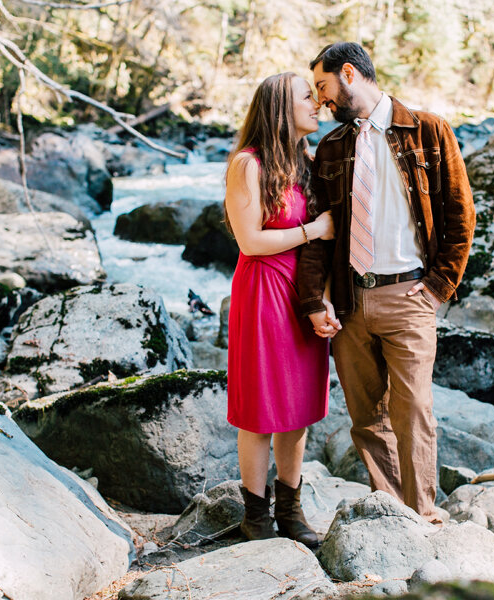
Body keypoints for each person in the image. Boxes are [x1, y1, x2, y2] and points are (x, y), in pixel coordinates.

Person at [297, 42, 475, 523]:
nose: (321, 100)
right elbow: (318, 235)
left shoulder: (428, 131)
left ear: (349, 74)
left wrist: (440, 286)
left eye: (323, 86)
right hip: (350, 302)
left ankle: (425, 514)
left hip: (410, 295)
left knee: (414, 408)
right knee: (366, 418)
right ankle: (394, 517)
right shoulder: (331, 148)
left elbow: (461, 216)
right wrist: (315, 299)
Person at [224, 72, 334, 548]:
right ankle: (256, 516)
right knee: (261, 408)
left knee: (299, 408)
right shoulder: (247, 164)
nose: (318, 102)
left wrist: (321, 296)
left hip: (301, 293)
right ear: (278, 108)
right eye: (306, 96)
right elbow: (251, 241)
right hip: (264, 289)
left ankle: (291, 510)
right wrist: (314, 230)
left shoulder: (305, 161)